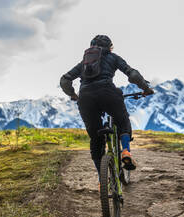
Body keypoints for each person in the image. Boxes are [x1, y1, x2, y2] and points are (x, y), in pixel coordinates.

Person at [60, 34, 153, 182]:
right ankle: (126, 152)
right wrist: (146, 88)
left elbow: (65, 80)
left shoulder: (84, 63)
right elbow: (133, 74)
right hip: (108, 93)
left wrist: (73, 95)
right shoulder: (113, 57)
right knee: (122, 122)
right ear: (110, 47)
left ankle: (102, 178)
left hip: (86, 98)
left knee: (95, 139)